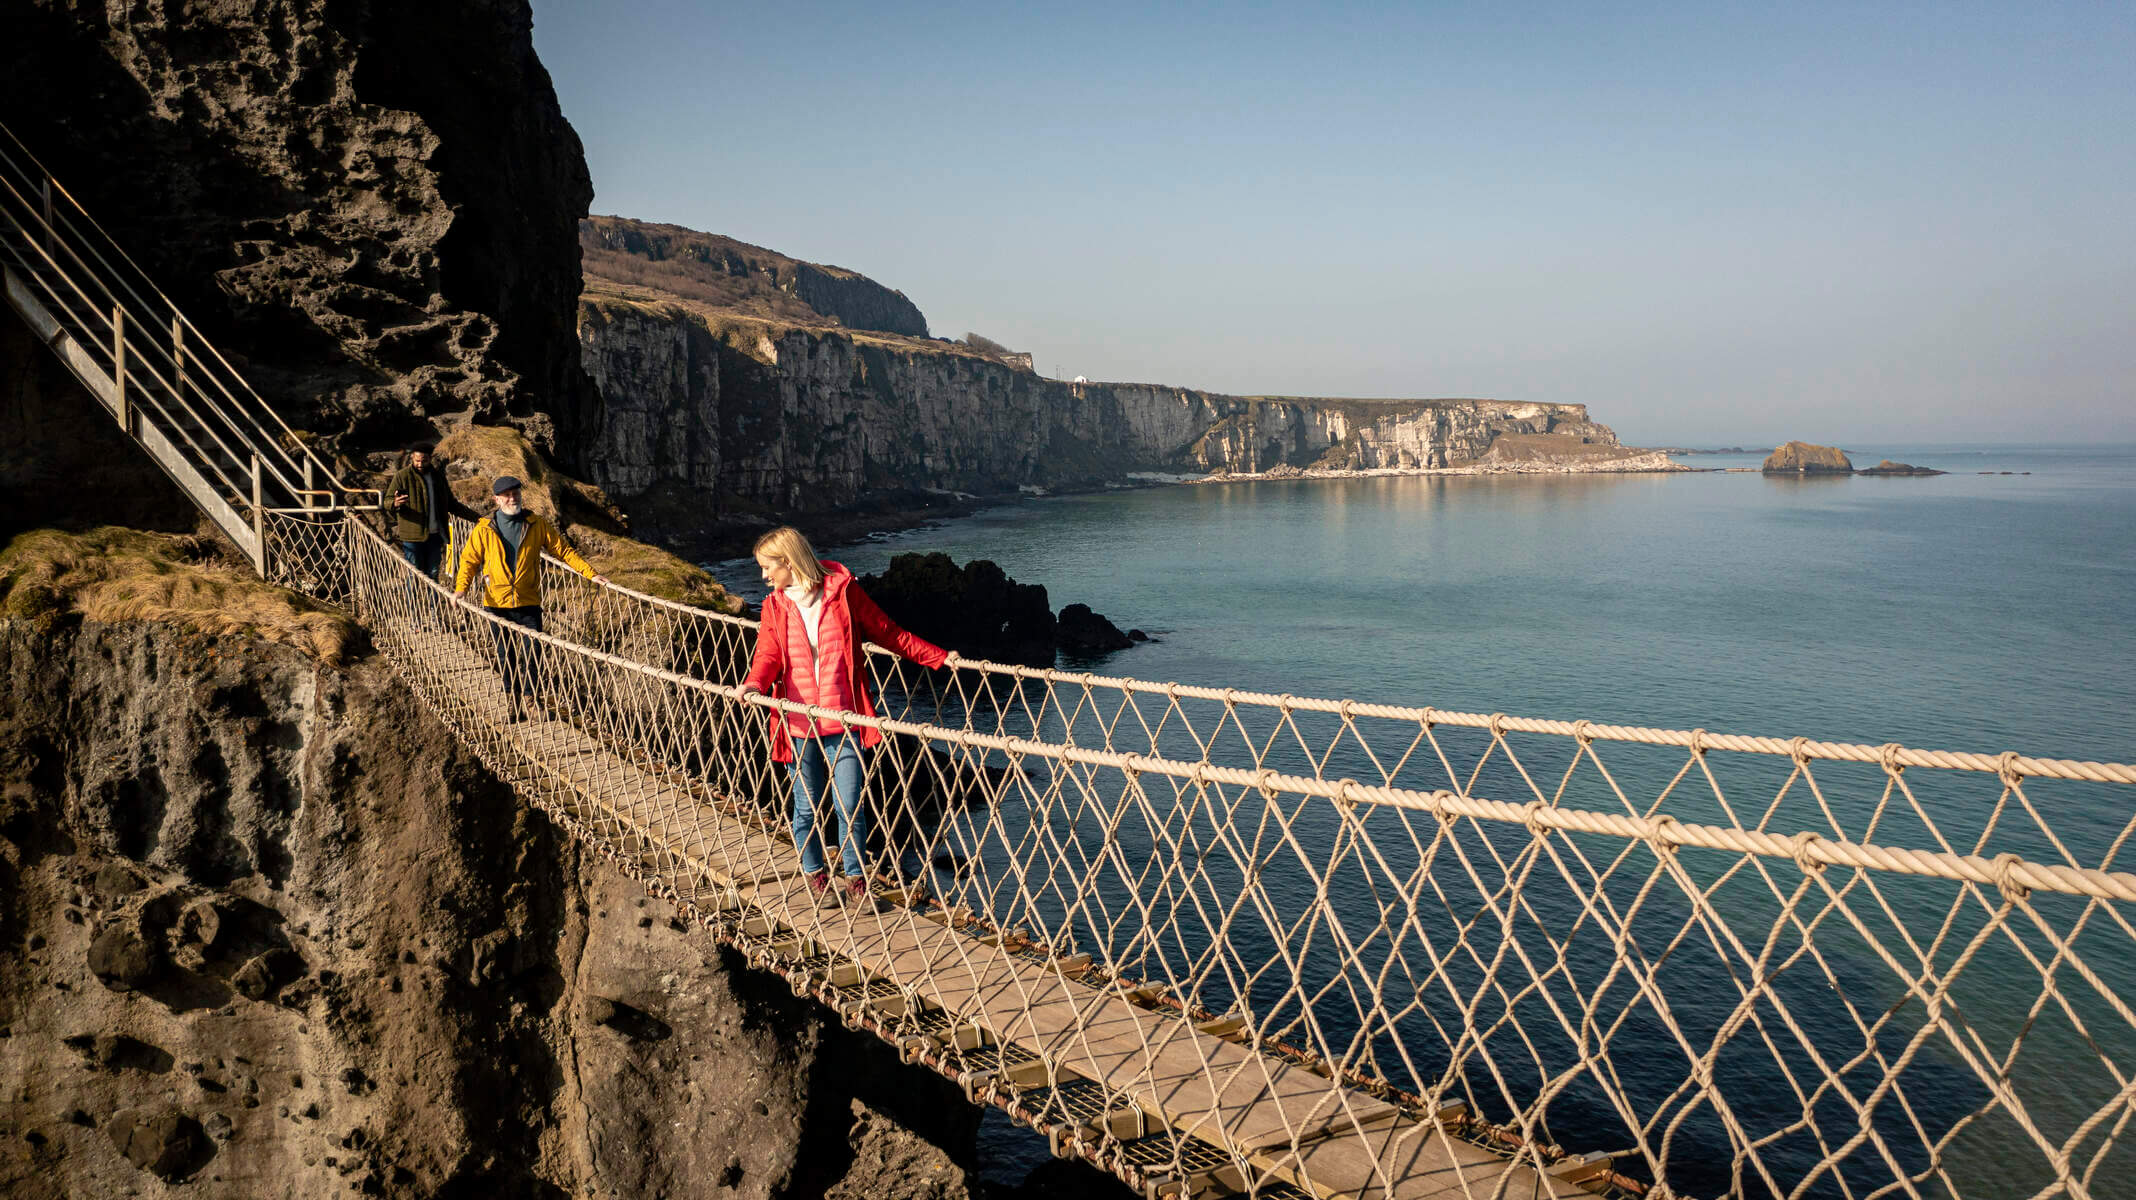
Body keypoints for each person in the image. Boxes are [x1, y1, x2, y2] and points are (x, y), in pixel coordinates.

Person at [736, 527, 953, 909]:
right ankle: (816, 877)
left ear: (789, 561)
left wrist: (938, 657)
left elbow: (888, 633)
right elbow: (767, 655)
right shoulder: (774, 606)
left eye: (768, 567)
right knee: (805, 806)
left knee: (850, 805)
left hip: (846, 718)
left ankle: (856, 882)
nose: (764, 577)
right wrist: (753, 684)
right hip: (798, 722)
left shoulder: (843, 591)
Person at [453, 476, 609, 721]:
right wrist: (461, 589)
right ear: (496, 499)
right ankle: (512, 702)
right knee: (506, 655)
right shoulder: (484, 527)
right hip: (496, 603)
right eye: (506, 495)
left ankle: (531, 701)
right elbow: (469, 560)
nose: (512, 498)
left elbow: (563, 550)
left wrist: (591, 574)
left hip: (529, 601)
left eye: (515, 493)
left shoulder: (536, 524)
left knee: (533, 653)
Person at [384, 444, 477, 583]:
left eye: (424, 461)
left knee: (433, 573)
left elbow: (451, 504)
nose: (420, 464)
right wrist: (395, 503)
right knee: (413, 574)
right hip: (412, 537)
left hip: (435, 535)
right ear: (412, 458)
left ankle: (433, 605)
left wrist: (477, 518)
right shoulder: (402, 476)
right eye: (417, 460)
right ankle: (412, 605)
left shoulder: (438, 477)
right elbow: (387, 501)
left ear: (430, 459)